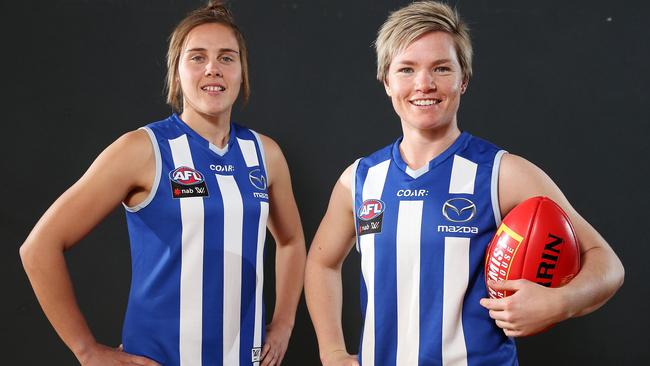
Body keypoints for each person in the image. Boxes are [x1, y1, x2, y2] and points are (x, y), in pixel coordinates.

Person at [304, 1, 624, 365]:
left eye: (441, 68)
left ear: (464, 79)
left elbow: (607, 265)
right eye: (407, 69)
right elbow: (321, 264)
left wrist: (558, 303)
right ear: (386, 81)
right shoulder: (360, 179)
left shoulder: (502, 173)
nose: (424, 83)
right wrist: (331, 352)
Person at [19, 2, 305, 365]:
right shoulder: (142, 149)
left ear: (242, 72)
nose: (213, 69)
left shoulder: (265, 154)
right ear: (176, 72)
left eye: (227, 58)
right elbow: (38, 247)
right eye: (197, 57)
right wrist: (87, 351)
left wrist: (283, 323)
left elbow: (292, 241)